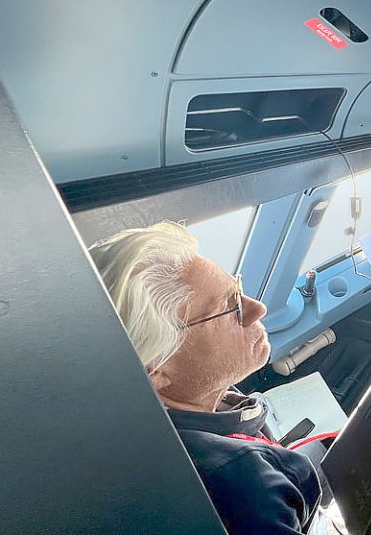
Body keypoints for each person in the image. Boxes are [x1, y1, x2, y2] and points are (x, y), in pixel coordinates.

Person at [88, 222, 321, 535]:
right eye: (229, 307)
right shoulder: (242, 485)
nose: (258, 308)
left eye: (237, 290)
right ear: (156, 370)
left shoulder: (189, 402)